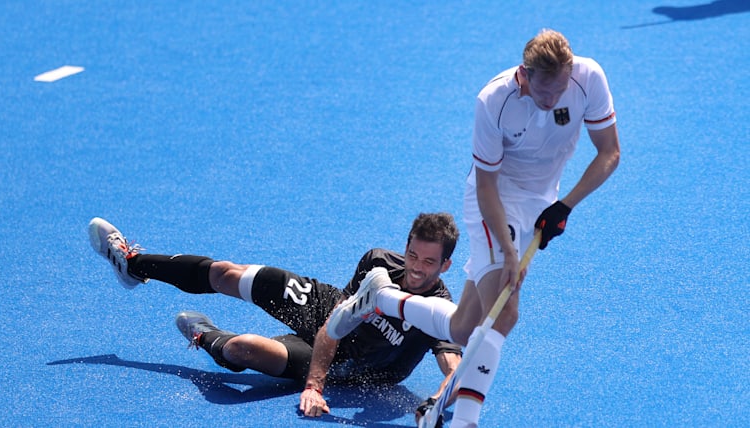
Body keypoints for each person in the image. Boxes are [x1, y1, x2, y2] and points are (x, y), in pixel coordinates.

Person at [327, 29, 620, 427]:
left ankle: (382, 299)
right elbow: (485, 186)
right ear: (525, 75)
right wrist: (509, 252)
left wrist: (565, 205)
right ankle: (467, 420)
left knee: (465, 327)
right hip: (494, 199)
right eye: (544, 91)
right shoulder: (494, 100)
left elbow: (609, 152)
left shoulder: (589, 78)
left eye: (560, 90)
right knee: (505, 313)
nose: (553, 100)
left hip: (541, 202)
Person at [87, 213, 462, 420]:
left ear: (445, 265)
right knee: (228, 274)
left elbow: (456, 373)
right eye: (413, 255)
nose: (417, 268)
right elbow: (337, 320)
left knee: (242, 349)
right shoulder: (378, 262)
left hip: (354, 364)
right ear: (405, 246)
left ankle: (205, 335)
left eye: (429, 262)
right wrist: (313, 386)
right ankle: (133, 265)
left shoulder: (440, 310)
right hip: (328, 315)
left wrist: (434, 404)